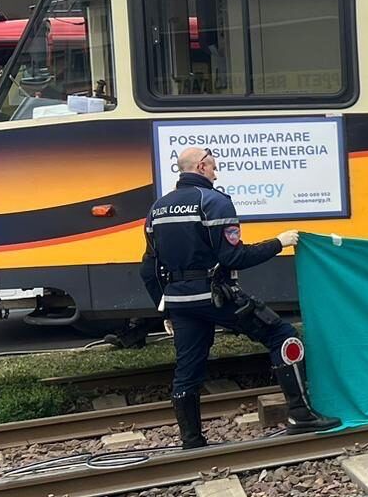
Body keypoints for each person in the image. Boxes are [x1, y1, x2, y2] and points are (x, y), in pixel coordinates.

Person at [140, 147, 339, 449]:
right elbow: (234, 257)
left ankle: (192, 441)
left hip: (179, 303)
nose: (217, 171)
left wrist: (165, 309)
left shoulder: (158, 208)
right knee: (283, 337)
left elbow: (148, 269)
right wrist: (278, 243)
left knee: (187, 369)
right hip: (214, 296)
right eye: (214, 166)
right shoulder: (214, 201)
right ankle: (301, 414)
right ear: (202, 166)